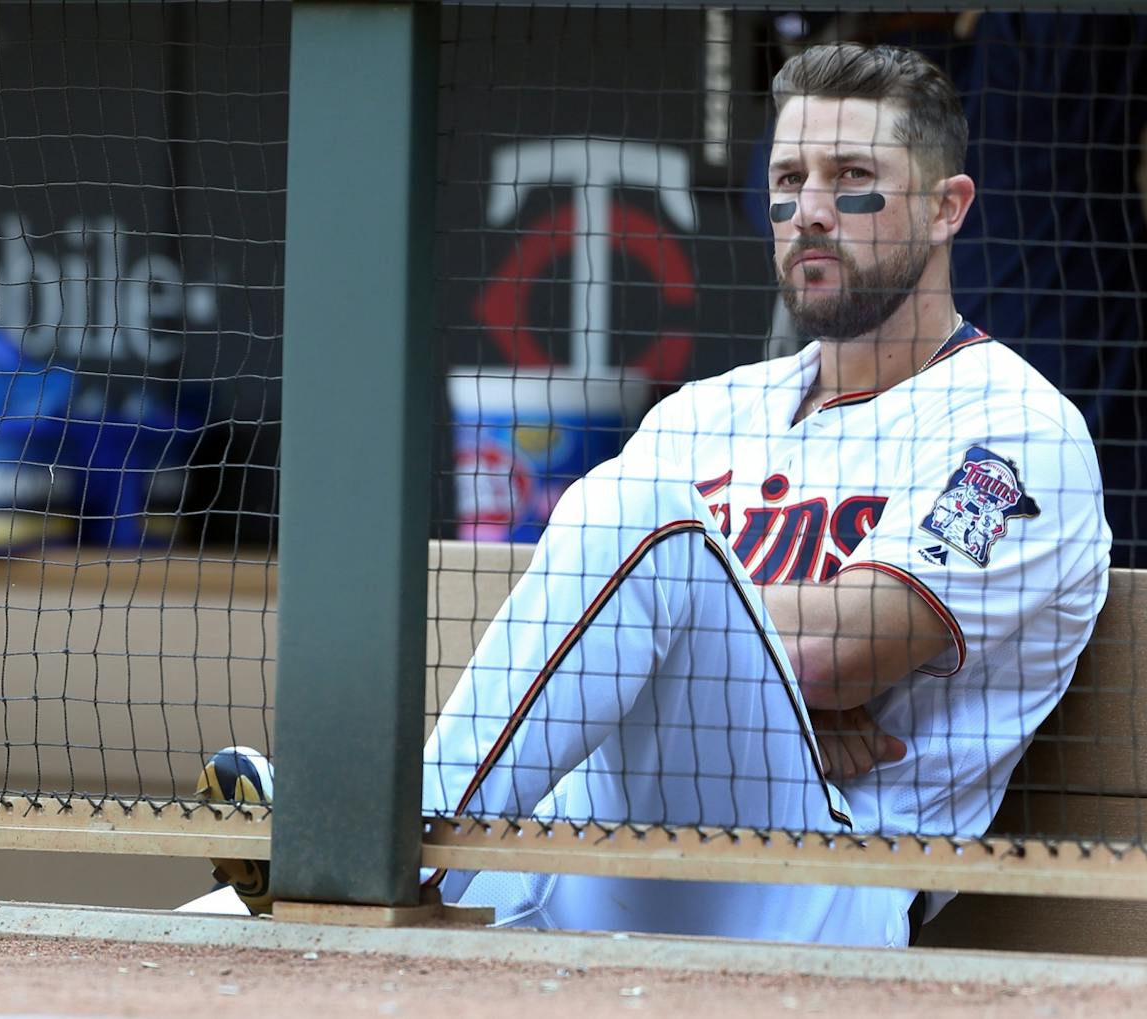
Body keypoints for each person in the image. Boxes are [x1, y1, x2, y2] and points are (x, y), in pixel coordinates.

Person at [186, 42, 1112, 948]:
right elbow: (588, 624)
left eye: (854, 177)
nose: (812, 211)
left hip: (822, 877)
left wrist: (701, 640)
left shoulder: (1016, 428)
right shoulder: (708, 412)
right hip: (590, 841)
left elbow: (840, 654)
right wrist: (715, 660)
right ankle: (344, 853)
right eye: (788, 180)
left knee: (640, 528)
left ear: (949, 208)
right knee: (199, 938)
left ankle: (392, 845)